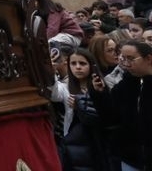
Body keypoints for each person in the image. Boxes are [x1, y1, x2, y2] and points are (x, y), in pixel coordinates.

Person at [49, 48, 114, 171]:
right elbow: (54, 94)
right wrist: (51, 73)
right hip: (76, 142)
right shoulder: (66, 87)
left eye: (82, 63)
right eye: (73, 64)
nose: (77, 67)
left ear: (91, 65)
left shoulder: (100, 84)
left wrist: (82, 105)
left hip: (99, 140)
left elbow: (105, 113)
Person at [108, 41, 152, 171]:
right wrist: (98, 95)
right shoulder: (125, 84)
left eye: (131, 59)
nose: (126, 63)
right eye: (123, 58)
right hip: (131, 159)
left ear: (148, 58)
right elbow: (111, 117)